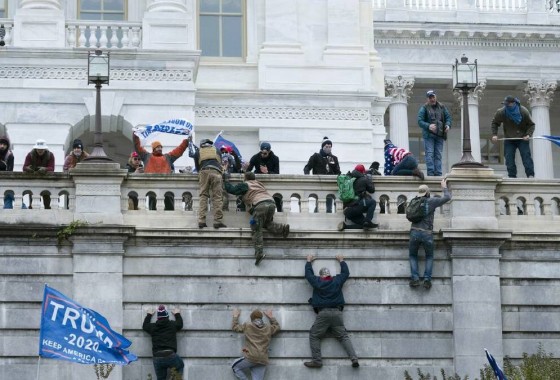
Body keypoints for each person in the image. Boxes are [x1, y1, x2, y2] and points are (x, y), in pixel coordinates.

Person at [304, 254, 359, 369]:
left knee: (314, 335)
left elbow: (308, 275)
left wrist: (308, 261)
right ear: (329, 274)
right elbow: (345, 273)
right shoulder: (336, 280)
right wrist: (341, 261)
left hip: (323, 313)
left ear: (321, 275)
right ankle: (354, 358)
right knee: (343, 336)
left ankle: (317, 361)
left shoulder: (317, 281)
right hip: (337, 313)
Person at [224, 171, 290, 265]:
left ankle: (259, 252)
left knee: (256, 228)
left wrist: (225, 181)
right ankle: (283, 228)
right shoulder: (259, 184)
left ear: (245, 178)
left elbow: (233, 190)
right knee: (266, 224)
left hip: (260, 205)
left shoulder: (246, 184)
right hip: (271, 204)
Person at [409, 179, 452, 290]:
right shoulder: (431, 201)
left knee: (413, 256)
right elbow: (447, 197)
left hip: (414, 232)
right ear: (427, 193)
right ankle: (427, 280)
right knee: (429, 256)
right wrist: (444, 187)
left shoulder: (414, 201)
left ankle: (415, 278)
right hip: (427, 233)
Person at [133, 134, 188, 210]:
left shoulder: (168, 157)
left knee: (170, 211)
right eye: (157, 147)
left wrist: (186, 141)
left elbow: (179, 150)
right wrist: (136, 136)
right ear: (153, 149)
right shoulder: (147, 156)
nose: (160, 148)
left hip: (167, 190)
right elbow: (138, 148)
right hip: (152, 191)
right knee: (153, 211)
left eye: (161, 147)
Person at [491, 95, 535, 178]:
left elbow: (531, 125)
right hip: (509, 139)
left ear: (514, 103)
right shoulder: (502, 112)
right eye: (505, 104)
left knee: (526, 157)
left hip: (522, 138)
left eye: (508, 104)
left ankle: (530, 175)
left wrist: (528, 134)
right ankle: (512, 176)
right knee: (509, 159)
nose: (506, 106)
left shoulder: (523, 111)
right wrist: (494, 134)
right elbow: (495, 123)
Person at [231, 308, 280, 380]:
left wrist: (235, 316)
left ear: (252, 318)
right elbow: (277, 327)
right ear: (261, 318)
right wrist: (271, 317)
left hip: (251, 357)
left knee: (235, 366)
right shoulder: (268, 328)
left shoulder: (247, 325)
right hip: (263, 359)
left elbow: (235, 327)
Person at [142, 305, 184, 380]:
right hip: (170, 355)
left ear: (158, 318)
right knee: (180, 366)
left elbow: (145, 326)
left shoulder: (153, 327)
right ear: (167, 316)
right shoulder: (172, 325)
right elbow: (180, 324)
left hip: (157, 357)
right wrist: (177, 314)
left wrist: (149, 315)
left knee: (160, 378)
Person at [193, 138, 226, 229]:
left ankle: (201, 221)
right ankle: (217, 221)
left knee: (203, 195)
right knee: (217, 197)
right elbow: (219, 163)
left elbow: (197, 167)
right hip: (216, 172)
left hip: (204, 171)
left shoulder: (198, 151)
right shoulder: (217, 150)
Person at [417, 90, 452, 177]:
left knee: (438, 155)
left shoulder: (442, 107)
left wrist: (448, 125)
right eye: (430, 97)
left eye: (433, 97)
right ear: (427, 99)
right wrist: (428, 126)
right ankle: (431, 174)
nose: (432, 99)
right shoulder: (424, 108)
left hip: (440, 135)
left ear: (436, 96)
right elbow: (419, 121)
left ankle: (438, 174)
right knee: (429, 154)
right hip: (429, 135)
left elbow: (448, 117)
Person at [304, 137, 341, 213]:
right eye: (326, 147)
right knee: (320, 204)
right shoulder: (316, 156)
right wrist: (307, 176)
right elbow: (307, 167)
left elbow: (337, 171)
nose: (328, 148)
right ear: (323, 147)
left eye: (330, 147)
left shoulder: (333, 158)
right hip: (319, 183)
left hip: (330, 184)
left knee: (329, 206)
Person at [338, 164, 378, 231]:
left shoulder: (348, 178)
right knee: (372, 202)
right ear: (363, 171)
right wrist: (369, 179)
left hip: (347, 211)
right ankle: (368, 221)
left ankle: (345, 226)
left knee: (364, 225)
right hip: (357, 206)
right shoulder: (364, 179)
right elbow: (372, 190)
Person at [23, 139, 55, 209]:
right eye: (38, 149)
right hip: (33, 181)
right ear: (36, 148)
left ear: (45, 149)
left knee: (47, 203)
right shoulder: (30, 155)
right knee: (32, 203)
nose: (40, 151)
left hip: (46, 182)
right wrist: (28, 169)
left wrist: (45, 169)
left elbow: (52, 168)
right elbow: (24, 167)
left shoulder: (50, 155)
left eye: (42, 149)